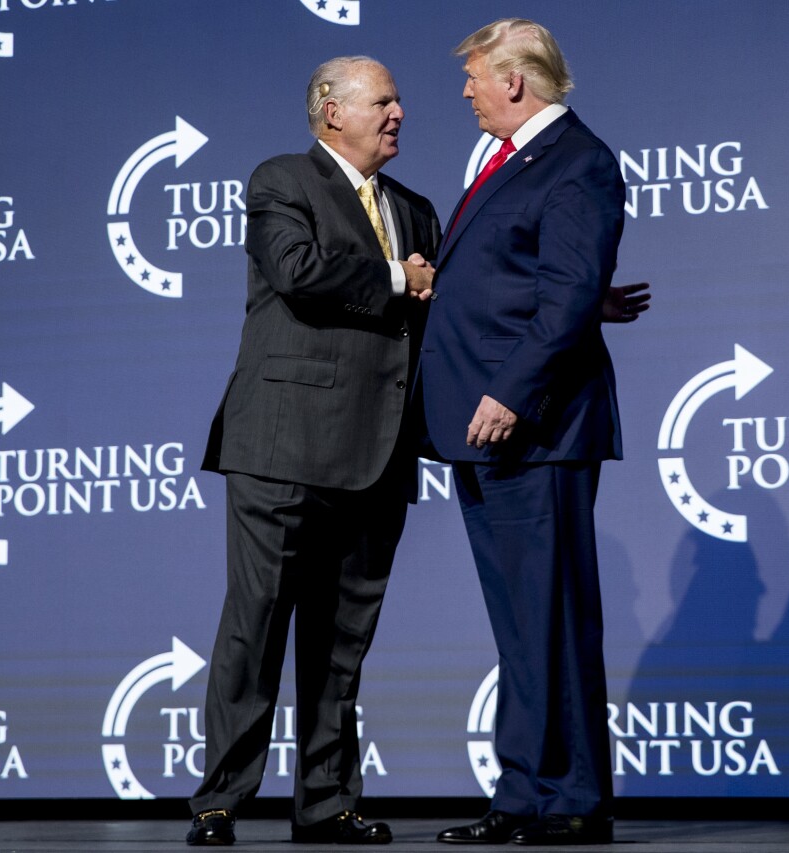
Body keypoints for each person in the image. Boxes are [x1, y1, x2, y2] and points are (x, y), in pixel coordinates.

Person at [186, 56, 439, 847]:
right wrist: (398, 276)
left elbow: (448, 310)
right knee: (255, 623)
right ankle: (222, 795)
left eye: (399, 101)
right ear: (333, 111)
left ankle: (327, 801)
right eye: (384, 100)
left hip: (377, 450)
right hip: (281, 444)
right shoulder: (281, 181)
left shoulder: (417, 210)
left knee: (341, 640)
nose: (399, 112)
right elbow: (297, 272)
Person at [421, 20, 625, 846]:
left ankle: (568, 796)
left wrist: (512, 391)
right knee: (520, 622)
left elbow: (569, 295)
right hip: (486, 427)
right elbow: (533, 276)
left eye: (474, 78)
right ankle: (524, 794)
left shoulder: (578, 162)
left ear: (515, 81)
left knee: (553, 616)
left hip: (534, 428)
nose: (464, 91)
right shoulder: (500, 160)